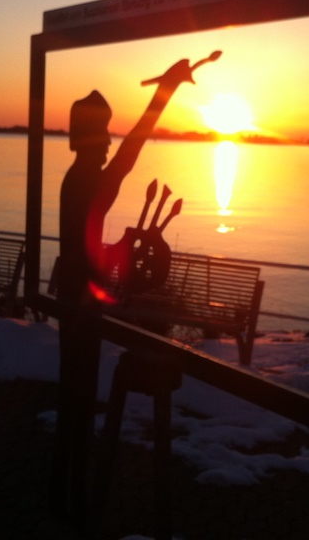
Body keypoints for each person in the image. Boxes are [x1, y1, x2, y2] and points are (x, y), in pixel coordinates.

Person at [52, 54, 216, 528]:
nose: (109, 142)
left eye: (109, 133)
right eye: (103, 133)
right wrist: (165, 92)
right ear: (87, 137)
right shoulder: (85, 179)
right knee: (79, 400)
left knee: (75, 399)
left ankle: (66, 492)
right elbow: (129, 158)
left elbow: (83, 243)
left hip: (75, 297)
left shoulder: (75, 179)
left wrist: (116, 250)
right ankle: (73, 503)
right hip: (80, 306)